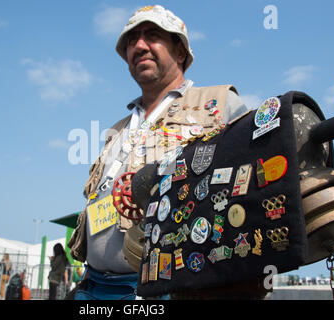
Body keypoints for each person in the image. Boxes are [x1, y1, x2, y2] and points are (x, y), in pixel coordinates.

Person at [68, 5, 249, 300]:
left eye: (152, 35)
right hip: (94, 288)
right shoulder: (116, 130)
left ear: (180, 52)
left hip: (166, 290)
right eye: (131, 40)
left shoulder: (219, 104)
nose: (139, 46)